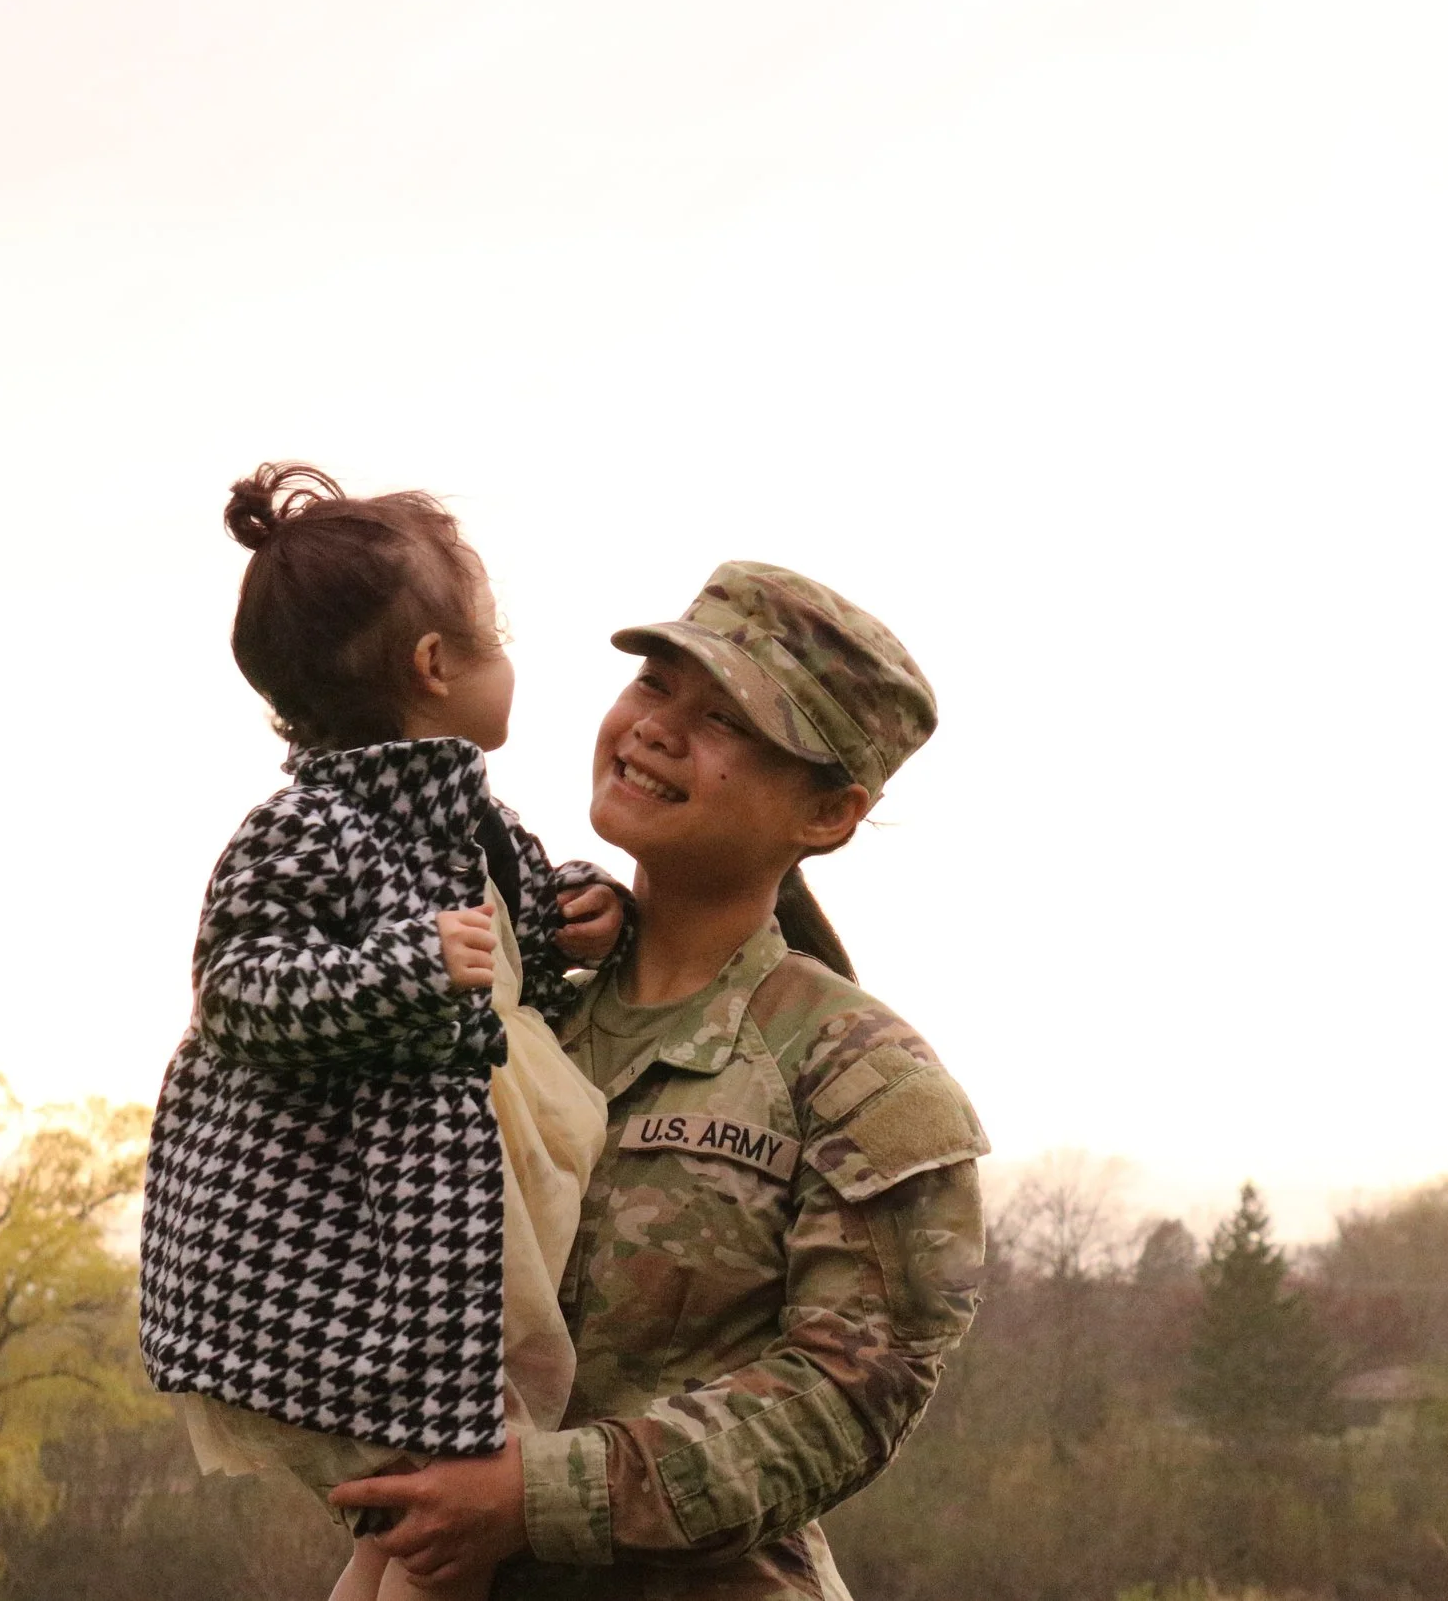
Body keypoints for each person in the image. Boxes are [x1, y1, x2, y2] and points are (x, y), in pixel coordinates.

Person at [331, 561, 991, 1600]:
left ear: (827, 812)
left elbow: (845, 1394)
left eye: (725, 720)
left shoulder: (858, 1072)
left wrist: (532, 1495)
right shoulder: (507, 1007)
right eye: (652, 684)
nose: (654, 728)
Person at [137, 462, 629, 1601]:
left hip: (458, 1203)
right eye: (493, 631)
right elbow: (242, 989)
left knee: (410, 1504)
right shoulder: (308, 823)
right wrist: (402, 969)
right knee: (452, 1488)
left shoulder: (469, 817)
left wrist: (573, 911)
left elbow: (508, 946)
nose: (510, 655)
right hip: (374, 1231)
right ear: (434, 666)